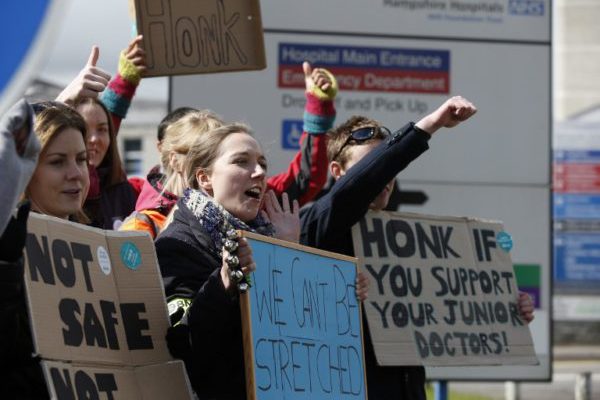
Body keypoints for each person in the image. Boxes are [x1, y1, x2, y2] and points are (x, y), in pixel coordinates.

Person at [299, 97, 534, 399]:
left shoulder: (400, 239)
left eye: (389, 170)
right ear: (338, 171)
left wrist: (504, 308)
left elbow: (450, 300)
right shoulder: (320, 221)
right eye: (373, 168)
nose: (384, 179)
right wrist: (430, 125)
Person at [120, 61, 337, 238]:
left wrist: (319, 109)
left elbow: (305, 180)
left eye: (216, 151)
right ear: (175, 160)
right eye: (199, 151)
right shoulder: (142, 218)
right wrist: (124, 83)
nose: (258, 172)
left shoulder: (247, 196)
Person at [1, 101, 90, 399]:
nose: (75, 173)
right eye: (57, 162)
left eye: (82, 159)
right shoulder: (8, 253)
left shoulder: (101, 248)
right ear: (25, 171)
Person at [57, 37, 146, 228]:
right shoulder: (57, 191)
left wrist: (127, 77)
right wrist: (62, 102)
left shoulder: (128, 194)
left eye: (102, 130)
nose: (94, 139)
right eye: (84, 129)